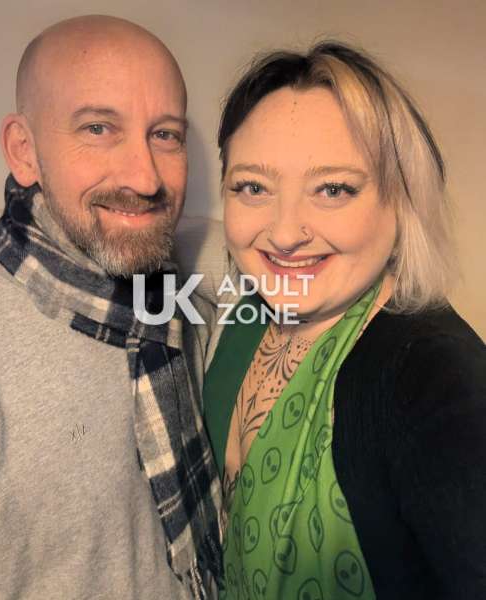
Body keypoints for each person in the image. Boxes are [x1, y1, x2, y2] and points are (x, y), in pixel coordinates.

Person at [202, 42, 486, 599]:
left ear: (403, 202)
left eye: (333, 189)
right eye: (253, 187)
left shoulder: (434, 378)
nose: (285, 234)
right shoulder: (247, 311)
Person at [0, 15, 223, 599]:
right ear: (24, 151)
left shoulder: (186, 282)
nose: (145, 178)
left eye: (166, 135)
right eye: (99, 128)